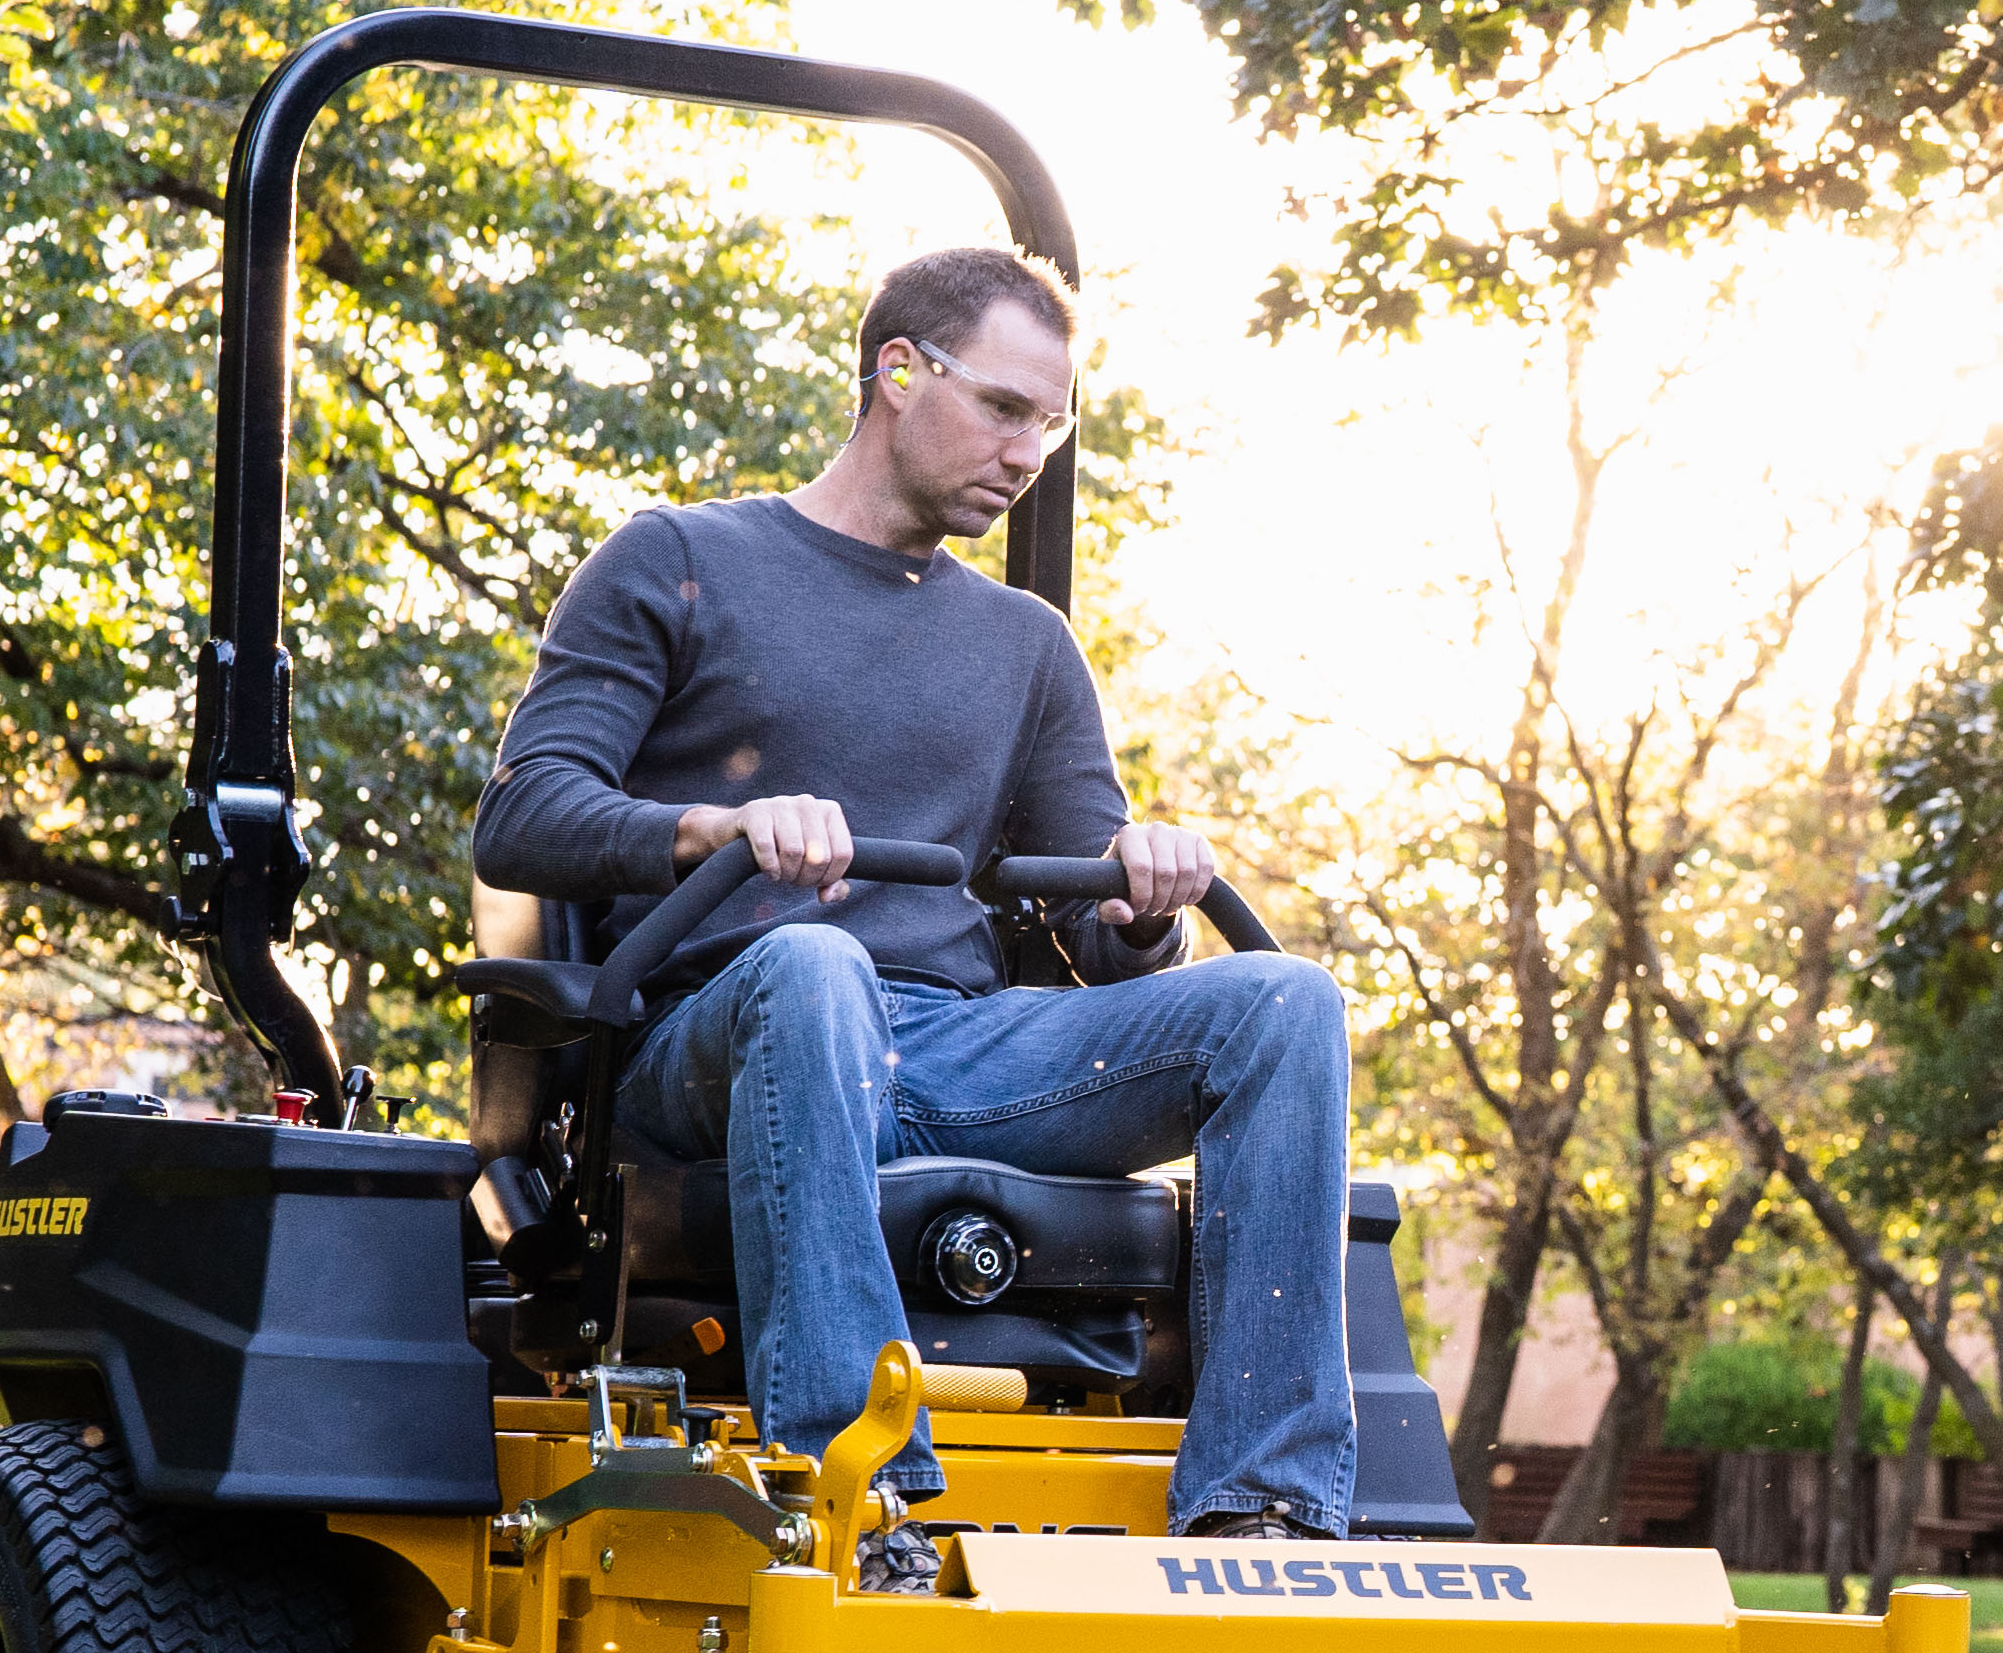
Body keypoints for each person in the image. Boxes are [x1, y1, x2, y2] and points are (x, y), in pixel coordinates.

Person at [472, 246, 1353, 1578]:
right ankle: (861, 1496)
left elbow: (1092, 925)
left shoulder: (1025, 646)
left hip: (947, 1046)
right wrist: (712, 831)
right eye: (1005, 409)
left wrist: (1150, 891)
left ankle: (1263, 1508)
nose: (1029, 453)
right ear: (898, 371)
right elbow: (525, 816)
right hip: (712, 1043)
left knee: (1284, 1004)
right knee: (811, 965)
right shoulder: (682, 562)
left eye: (1050, 426)